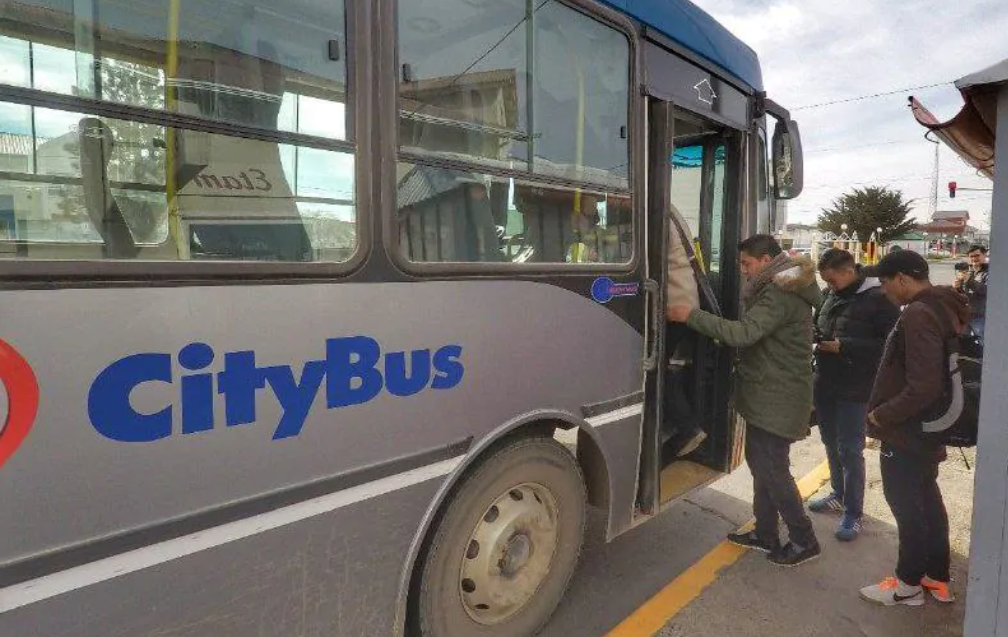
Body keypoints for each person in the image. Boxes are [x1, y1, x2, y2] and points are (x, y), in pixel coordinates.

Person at [668, 234, 823, 566]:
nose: (743, 271)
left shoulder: (781, 293)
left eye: (747, 264)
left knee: (774, 471)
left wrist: (690, 316)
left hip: (778, 396)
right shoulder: (776, 287)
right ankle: (765, 533)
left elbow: (743, 333)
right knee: (762, 466)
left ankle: (804, 539)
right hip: (768, 392)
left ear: (766, 261)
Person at [858, 250, 969, 607]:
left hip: (909, 427)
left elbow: (922, 385)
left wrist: (882, 415)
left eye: (887, 282)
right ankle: (935, 576)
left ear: (903, 279)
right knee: (926, 499)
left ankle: (906, 586)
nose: (885, 290)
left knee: (907, 505)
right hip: (929, 424)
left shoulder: (919, 314)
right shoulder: (942, 305)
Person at [808, 249, 900, 542]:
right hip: (826, 381)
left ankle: (853, 512)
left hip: (857, 387)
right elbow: (822, 324)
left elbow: (890, 346)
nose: (829, 286)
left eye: (833, 280)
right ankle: (837, 492)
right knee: (829, 442)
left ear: (848, 271)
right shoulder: (831, 294)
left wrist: (844, 345)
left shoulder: (880, 298)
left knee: (850, 449)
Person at [663, 203, 706, 458]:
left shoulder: (656, 210)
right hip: (682, 304)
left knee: (660, 373)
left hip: (676, 308)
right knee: (670, 370)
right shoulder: (670, 208)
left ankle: (687, 428)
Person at [953, 244, 989, 338]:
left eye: (977, 255)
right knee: (967, 343)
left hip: (982, 317)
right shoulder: (968, 272)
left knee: (983, 344)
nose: (974, 258)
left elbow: (988, 292)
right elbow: (962, 295)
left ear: (985, 255)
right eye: (971, 256)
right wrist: (957, 287)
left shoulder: (989, 272)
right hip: (966, 316)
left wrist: (969, 281)